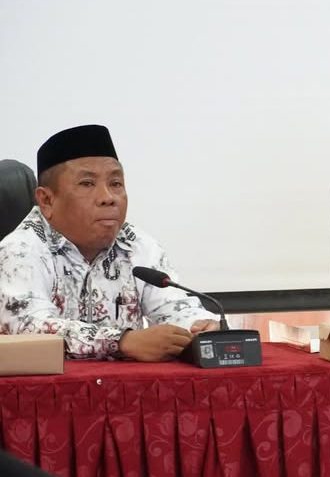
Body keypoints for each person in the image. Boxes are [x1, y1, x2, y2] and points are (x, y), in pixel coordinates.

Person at [0, 125, 219, 360]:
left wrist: (198, 325)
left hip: (127, 383)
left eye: (115, 184)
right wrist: (121, 342)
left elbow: (171, 306)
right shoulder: (19, 250)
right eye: (87, 184)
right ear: (46, 200)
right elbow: (28, 326)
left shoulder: (137, 245)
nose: (108, 198)